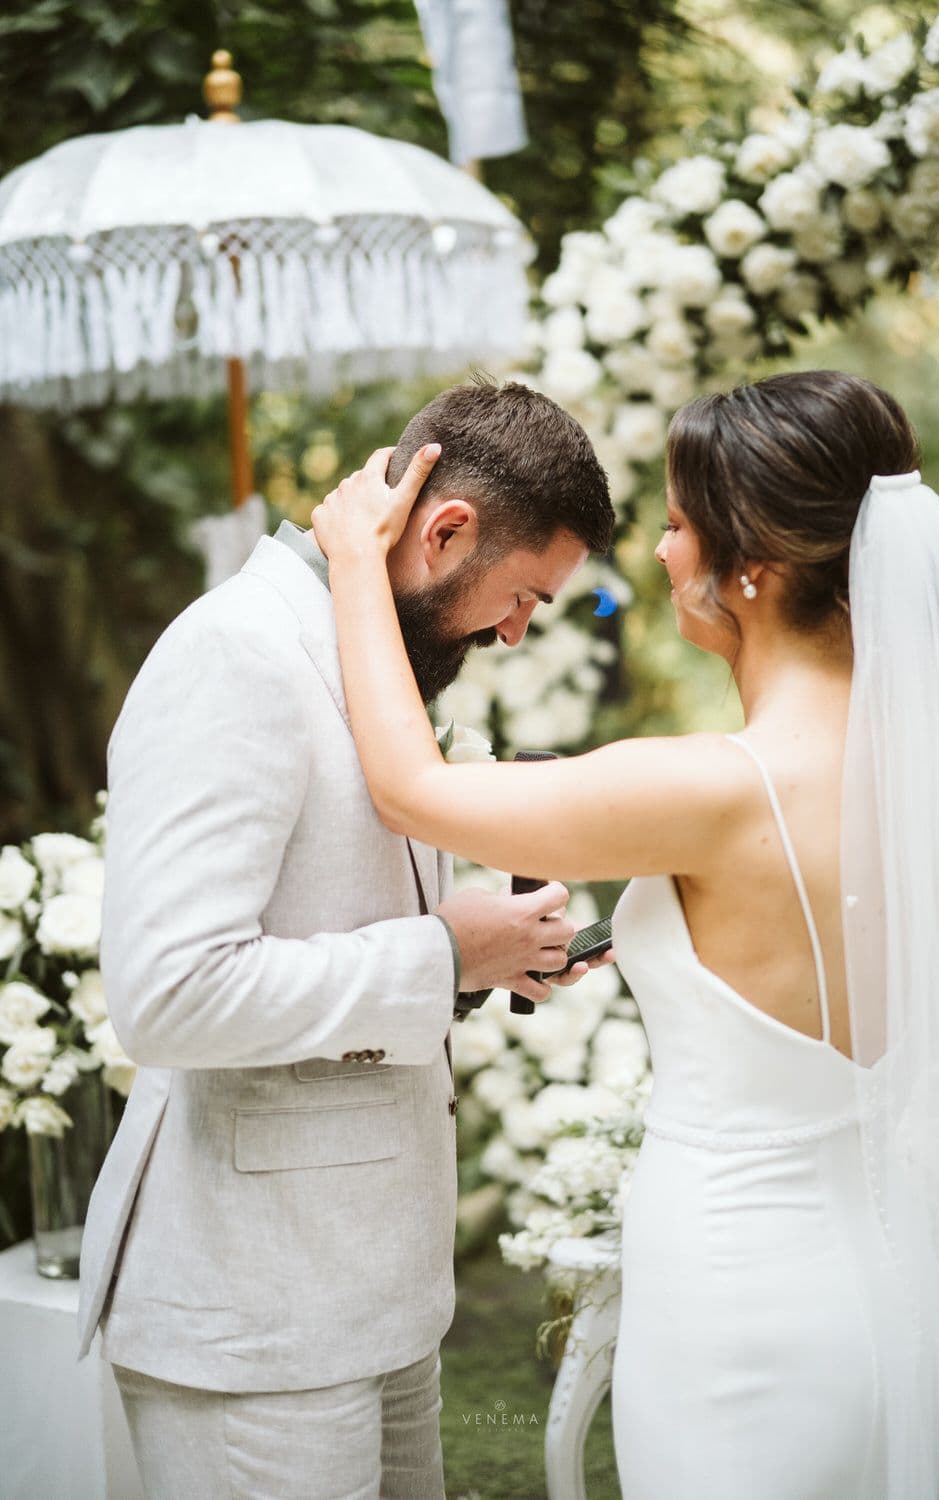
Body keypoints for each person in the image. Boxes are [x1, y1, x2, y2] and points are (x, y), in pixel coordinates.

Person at [311, 369, 939, 1499]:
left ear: (752, 569)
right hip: (878, 1290)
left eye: (679, 527)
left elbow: (410, 790)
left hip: (737, 1305)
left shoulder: (716, 788)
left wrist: (350, 561)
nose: (663, 555)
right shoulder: (936, 779)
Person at [77, 379, 618, 1500]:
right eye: (522, 596)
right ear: (446, 531)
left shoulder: (367, 657)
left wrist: (487, 962)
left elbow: (320, 926)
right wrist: (444, 956)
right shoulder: (236, 655)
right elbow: (169, 995)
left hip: (372, 1298)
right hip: (257, 1319)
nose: (516, 630)